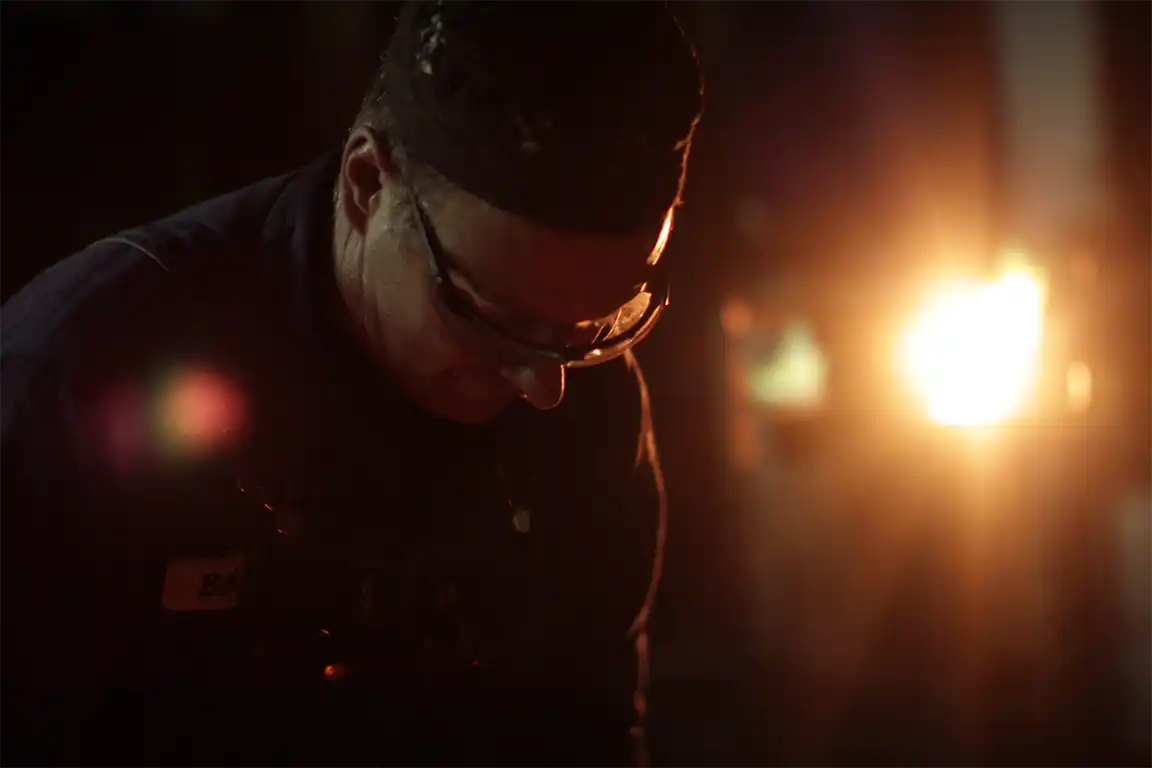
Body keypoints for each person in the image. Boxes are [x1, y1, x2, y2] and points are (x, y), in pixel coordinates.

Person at [0, 0, 702, 763]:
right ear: (368, 181)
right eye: (488, 315)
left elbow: (589, 728)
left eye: (597, 321)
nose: (545, 386)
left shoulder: (590, 396)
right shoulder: (79, 380)